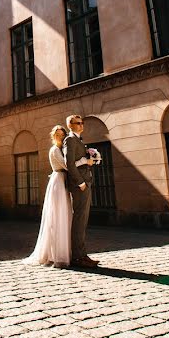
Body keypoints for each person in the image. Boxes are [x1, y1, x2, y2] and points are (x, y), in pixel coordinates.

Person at [24, 125, 73, 268]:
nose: (60, 136)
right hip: (58, 181)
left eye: (62, 134)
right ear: (53, 136)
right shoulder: (54, 150)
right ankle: (54, 253)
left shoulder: (63, 149)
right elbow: (66, 165)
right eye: (57, 134)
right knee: (57, 215)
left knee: (65, 214)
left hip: (64, 180)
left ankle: (64, 249)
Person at [64, 114, 98, 267]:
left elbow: (79, 162)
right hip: (80, 185)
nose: (81, 125)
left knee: (82, 221)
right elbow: (69, 164)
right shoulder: (70, 140)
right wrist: (80, 183)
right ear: (70, 125)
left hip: (86, 182)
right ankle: (78, 257)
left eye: (82, 123)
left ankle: (82, 254)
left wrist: (91, 159)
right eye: (78, 123)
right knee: (79, 220)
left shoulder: (78, 140)